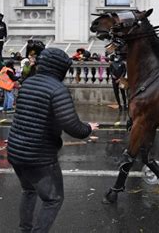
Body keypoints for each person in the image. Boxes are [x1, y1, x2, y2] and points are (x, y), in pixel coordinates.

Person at [7, 48, 99, 232]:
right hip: (39, 156)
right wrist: (88, 128)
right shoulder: (57, 90)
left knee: (29, 191)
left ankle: (24, 229)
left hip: (15, 151)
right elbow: (72, 126)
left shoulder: (29, 82)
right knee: (53, 199)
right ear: (60, 69)